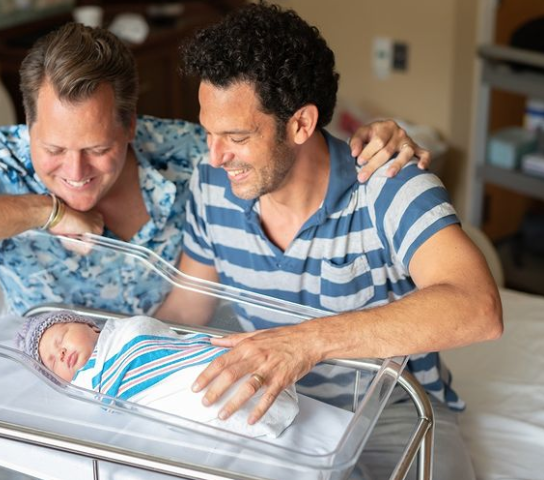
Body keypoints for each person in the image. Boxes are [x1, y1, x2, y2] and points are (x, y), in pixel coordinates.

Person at [0, 19, 427, 480]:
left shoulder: (192, 158)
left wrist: (376, 140)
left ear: (131, 126)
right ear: (28, 127)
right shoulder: (0, 162)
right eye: (54, 148)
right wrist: (46, 211)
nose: (74, 172)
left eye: (97, 148)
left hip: (157, 359)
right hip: (46, 362)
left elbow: (274, 152)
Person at [153, 3, 503, 479]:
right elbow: (186, 310)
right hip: (273, 404)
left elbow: (477, 309)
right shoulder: (212, 184)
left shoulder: (388, 184)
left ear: (300, 124)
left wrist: (306, 343)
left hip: (390, 406)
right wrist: (118, 348)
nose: (216, 156)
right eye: (208, 132)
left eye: (234, 136)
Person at [16, 310, 299, 438]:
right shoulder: (86, 385)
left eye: (62, 338)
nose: (62, 353)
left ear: (89, 326)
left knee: (226, 365)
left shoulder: (124, 331)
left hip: (202, 357)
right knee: (210, 392)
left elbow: (154, 339)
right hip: (187, 390)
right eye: (53, 362)